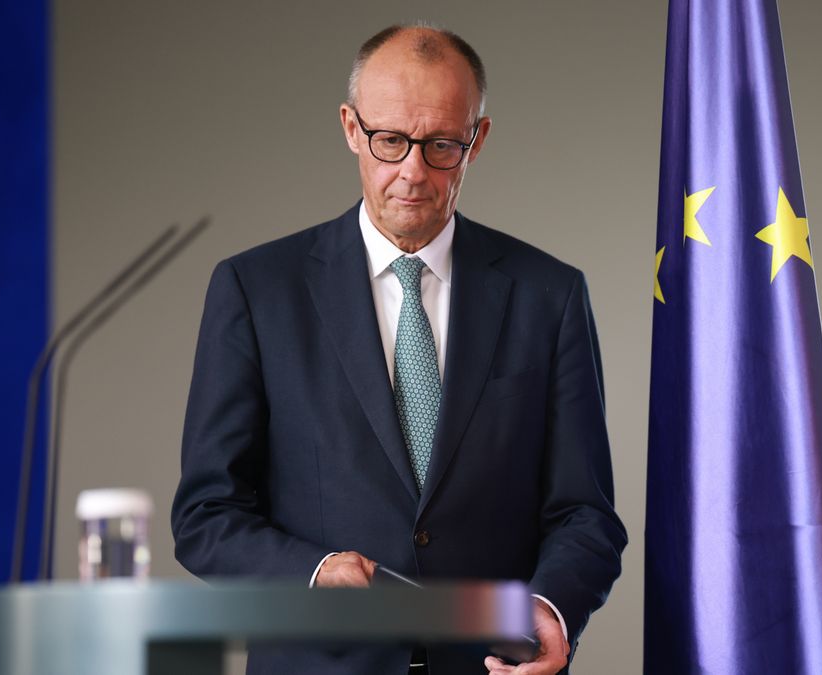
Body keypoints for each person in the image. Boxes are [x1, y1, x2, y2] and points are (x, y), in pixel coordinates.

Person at [170, 24, 626, 675]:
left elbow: (584, 513)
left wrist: (552, 607)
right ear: (351, 128)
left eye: (442, 145)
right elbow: (204, 513)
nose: (413, 171)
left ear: (478, 140)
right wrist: (314, 571)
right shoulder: (256, 290)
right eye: (390, 141)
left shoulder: (548, 295)